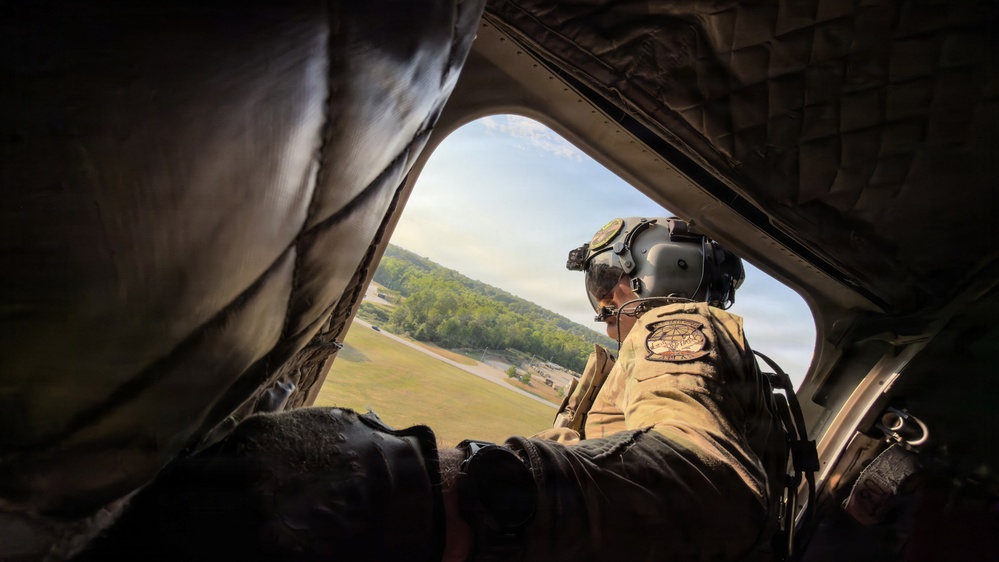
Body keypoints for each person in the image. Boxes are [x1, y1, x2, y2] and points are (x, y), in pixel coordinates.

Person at [78, 217, 790, 562]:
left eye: (608, 284)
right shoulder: (652, 352)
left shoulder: (681, 326)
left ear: (664, 272)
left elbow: (712, 482)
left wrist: (456, 489)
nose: (602, 306)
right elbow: (594, 461)